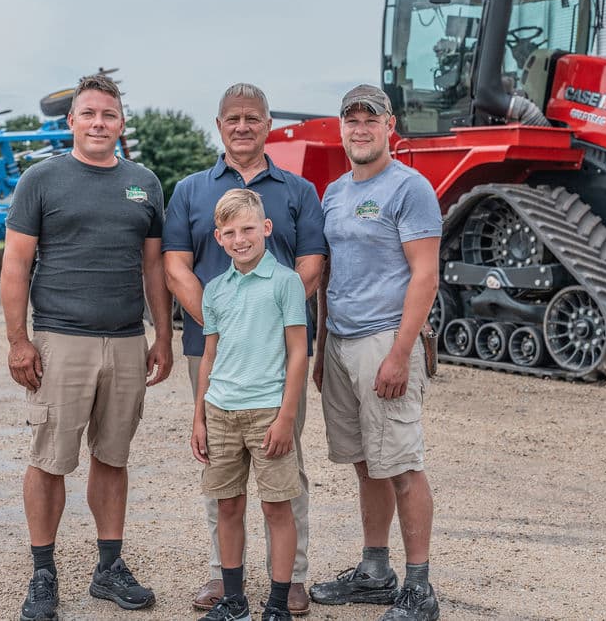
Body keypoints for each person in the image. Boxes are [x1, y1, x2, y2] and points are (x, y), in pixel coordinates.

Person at [1, 73, 173, 621]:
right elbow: (16, 263)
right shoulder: (42, 179)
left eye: (109, 115)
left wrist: (163, 334)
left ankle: (108, 567)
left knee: (113, 457)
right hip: (60, 340)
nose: (99, 123)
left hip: (125, 340)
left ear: (122, 124)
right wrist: (18, 341)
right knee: (50, 460)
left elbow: (153, 267)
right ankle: (44, 573)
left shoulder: (145, 182)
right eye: (89, 114)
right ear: (71, 121)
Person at [163, 83, 326, 615]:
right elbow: (175, 265)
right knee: (222, 469)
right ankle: (222, 578)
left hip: (280, 355)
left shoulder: (298, 191)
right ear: (219, 125)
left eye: (252, 118)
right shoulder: (190, 190)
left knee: (285, 462)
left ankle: (292, 578)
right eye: (232, 118)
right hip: (211, 346)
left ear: (268, 123)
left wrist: (267, 316)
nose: (242, 126)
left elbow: (311, 264)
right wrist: (223, 318)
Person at [310, 84, 442, 621]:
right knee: (367, 463)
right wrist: (321, 350)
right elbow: (328, 276)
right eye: (351, 119)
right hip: (340, 342)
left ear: (391, 127)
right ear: (341, 128)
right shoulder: (334, 192)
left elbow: (425, 275)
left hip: (385, 340)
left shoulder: (410, 188)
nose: (360, 128)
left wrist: (399, 352)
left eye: (371, 119)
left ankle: (419, 588)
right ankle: (374, 571)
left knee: (402, 464)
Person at [190, 188, 308, 621]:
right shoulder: (216, 290)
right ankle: (234, 600)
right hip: (221, 411)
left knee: (277, 507)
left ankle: (277, 604)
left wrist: (286, 416)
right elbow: (209, 356)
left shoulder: (286, 282)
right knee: (228, 505)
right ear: (219, 238)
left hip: (267, 413)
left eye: (248, 229)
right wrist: (199, 417)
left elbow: (298, 351)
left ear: (266, 229)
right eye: (231, 232)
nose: (241, 239)